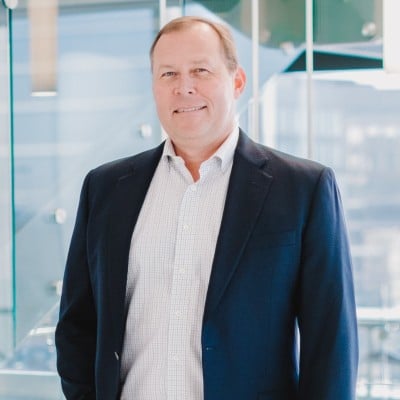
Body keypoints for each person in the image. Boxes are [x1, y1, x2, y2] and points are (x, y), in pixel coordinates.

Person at [55, 16, 358, 400]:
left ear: (237, 81)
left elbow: (330, 343)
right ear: (154, 86)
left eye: (200, 70)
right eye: (168, 74)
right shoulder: (105, 188)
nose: (184, 87)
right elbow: (77, 326)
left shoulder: (303, 189)